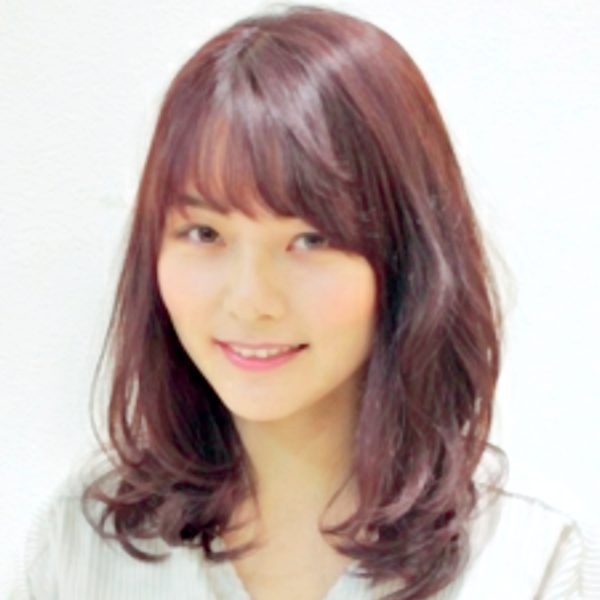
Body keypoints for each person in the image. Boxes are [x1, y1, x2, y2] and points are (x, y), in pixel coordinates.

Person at [9, 4, 596, 599]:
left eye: (311, 239)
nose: (251, 300)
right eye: (205, 233)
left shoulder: (524, 561)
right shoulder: (82, 545)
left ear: (408, 259)